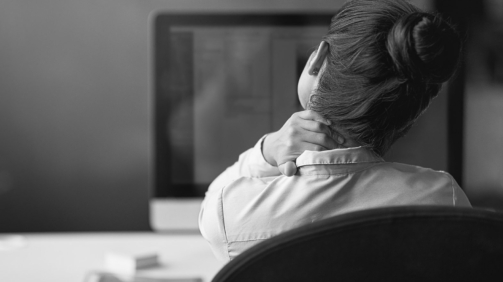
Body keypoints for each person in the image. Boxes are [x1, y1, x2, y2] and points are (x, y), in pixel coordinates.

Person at [199, 0, 471, 262]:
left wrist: (267, 151)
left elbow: (213, 200)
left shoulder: (232, 215)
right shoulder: (445, 200)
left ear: (318, 59)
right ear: (413, 114)